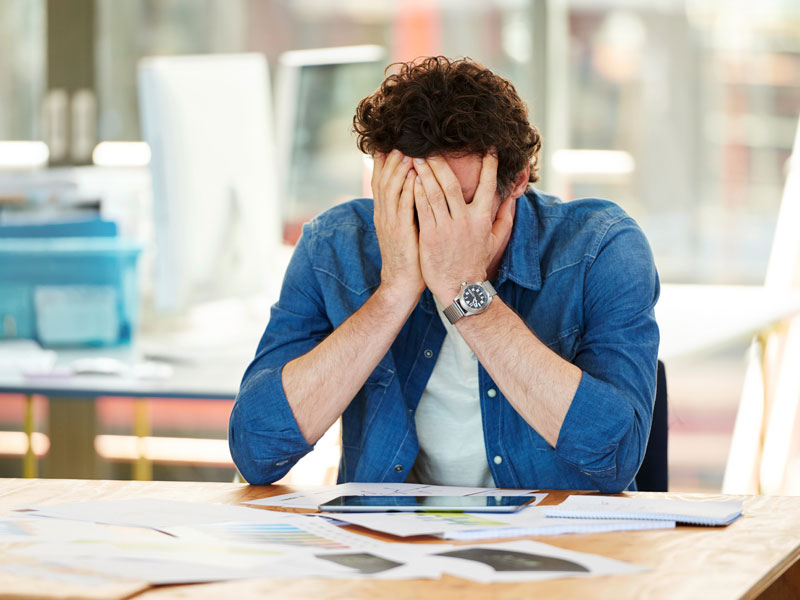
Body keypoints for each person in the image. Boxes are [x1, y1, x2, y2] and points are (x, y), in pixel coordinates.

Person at [229, 56, 660, 493]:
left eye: (459, 202)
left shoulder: (600, 247)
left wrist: (466, 292)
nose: (432, 223)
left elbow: (615, 458)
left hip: (557, 547)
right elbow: (256, 452)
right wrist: (394, 291)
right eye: (411, 197)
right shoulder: (333, 245)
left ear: (516, 183)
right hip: (391, 547)